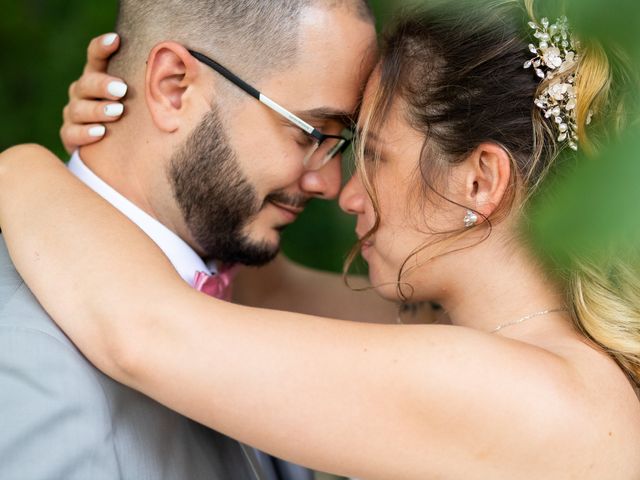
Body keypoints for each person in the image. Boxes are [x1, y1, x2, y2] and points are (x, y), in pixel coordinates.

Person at [2, 0, 640, 478]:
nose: (344, 191)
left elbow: (149, 330)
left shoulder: (524, 393)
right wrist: (142, 133)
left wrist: (19, 165)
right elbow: (265, 287)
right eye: (316, 134)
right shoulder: (495, 344)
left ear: (480, 181)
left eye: (375, 155)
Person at [0, 1, 390, 479]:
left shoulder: (251, 297)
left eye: (339, 142)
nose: (330, 185)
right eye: (309, 133)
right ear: (172, 88)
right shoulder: (28, 364)